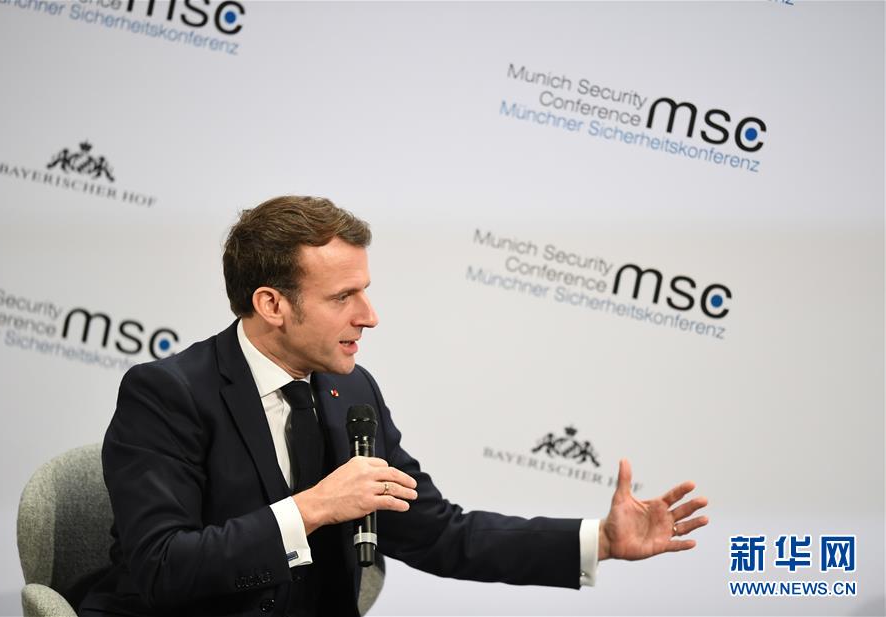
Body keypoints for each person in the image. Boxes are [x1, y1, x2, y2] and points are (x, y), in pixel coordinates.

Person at [80, 196, 708, 617]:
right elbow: (162, 567)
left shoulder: (352, 392)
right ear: (272, 305)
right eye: (342, 297)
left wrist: (600, 540)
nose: (369, 316)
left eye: (366, 291)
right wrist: (314, 508)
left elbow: (437, 532)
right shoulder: (167, 394)